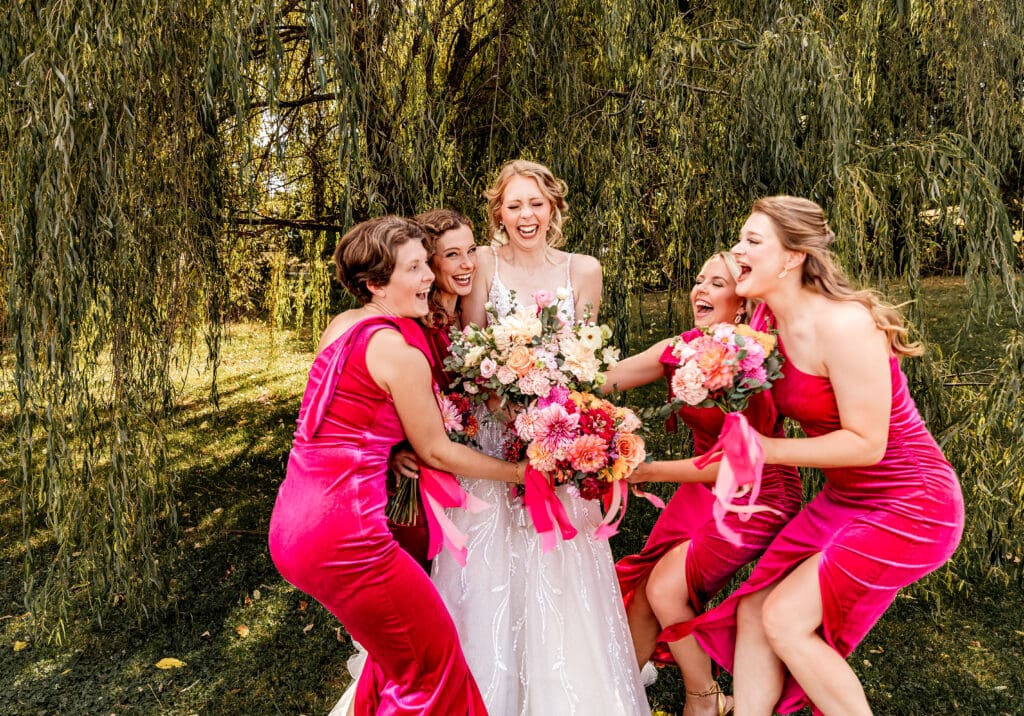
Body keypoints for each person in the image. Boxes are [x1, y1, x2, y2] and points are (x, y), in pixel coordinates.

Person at [639, 196, 964, 715]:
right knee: (753, 609)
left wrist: (765, 449)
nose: (735, 250)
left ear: (791, 258)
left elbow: (867, 443)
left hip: (912, 502)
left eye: (752, 241)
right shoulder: (765, 318)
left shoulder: (845, 325)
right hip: (846, 497)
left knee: (785, 619)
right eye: (739, 238)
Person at [268, 216, 525, 715]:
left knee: (395, 660)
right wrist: (522, 474)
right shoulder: (399, 351)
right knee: (434, 670)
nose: (429, 275)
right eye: (415, 268)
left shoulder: (343, 325)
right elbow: (436, 451)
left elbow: (342, 418)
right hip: (347, 534)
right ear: (376, 282)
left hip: (293, 525)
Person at [431, 159, 651, 715]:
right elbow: (469, 353)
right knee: (486, 563)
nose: (525, 215)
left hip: (555, 433)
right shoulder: (481, 264)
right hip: (492, 434)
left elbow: (589, 360)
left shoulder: (584, 270)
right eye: (513, 205)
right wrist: (504, 400)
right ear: (497, 213)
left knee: (559, 561)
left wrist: (567, 419)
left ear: (553, 206)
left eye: (535, 203)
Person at [604, 252, 802, 716]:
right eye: (699, 280)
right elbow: (611, 378)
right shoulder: (684, 345)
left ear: (742, 301)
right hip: (702, 488)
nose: (701, 290)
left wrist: (646, 470)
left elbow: (737, 463)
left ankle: (704, 698)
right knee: (648, 583)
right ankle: (616, 695)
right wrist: (549, 384)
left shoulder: (748, 361)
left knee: (666, 590)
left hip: (758, 491)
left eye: (717, 283)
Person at [385, 208, 479, 573]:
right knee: (425, 572)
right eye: (452, 255)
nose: (467, 263)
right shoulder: (413, 327)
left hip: (470, 465)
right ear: (428, 263)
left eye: (471, 251)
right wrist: (394, 451)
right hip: (423, 476)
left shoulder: (475, 317)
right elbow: (384, 397)